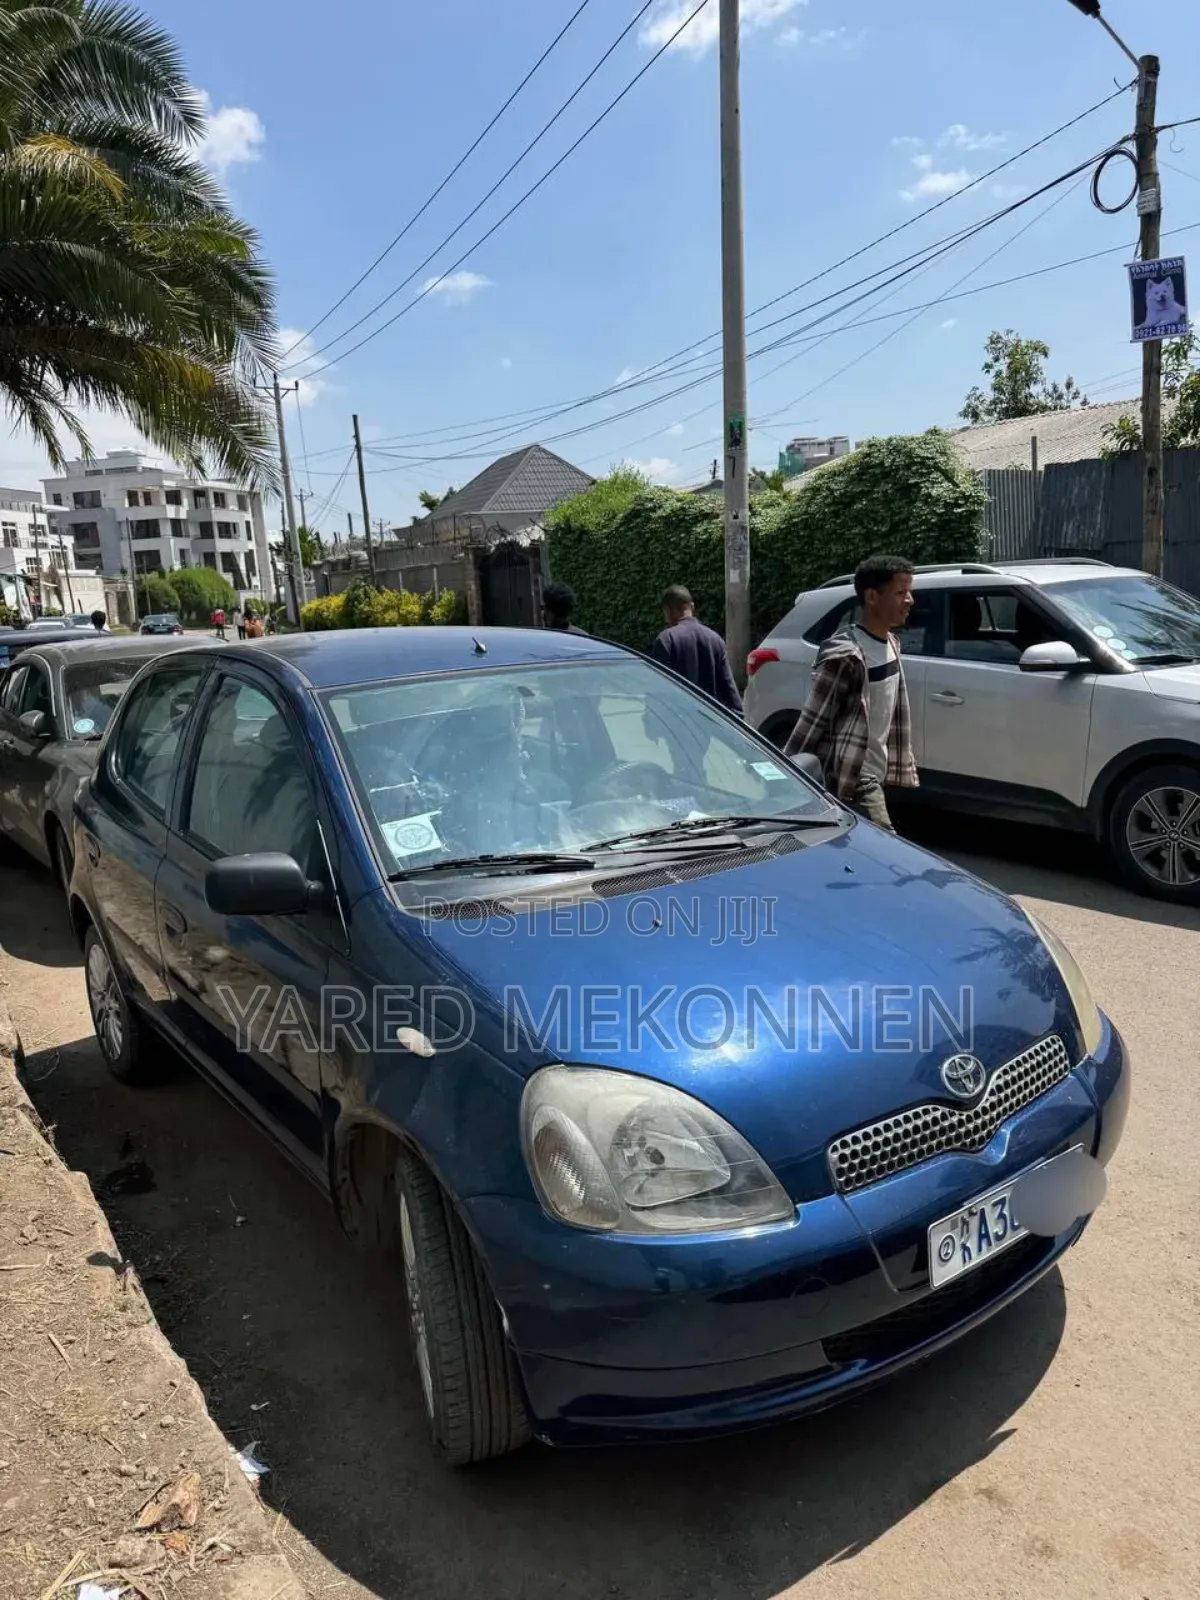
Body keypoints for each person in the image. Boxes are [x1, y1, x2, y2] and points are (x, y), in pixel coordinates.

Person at [784, 554, 919, 832]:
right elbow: (812, 722)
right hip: (854, 777)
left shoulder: (892, 643)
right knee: (885, 847)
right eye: (900, 593)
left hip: (877, 772)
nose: (909, 600)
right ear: (872, 597)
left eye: (909, 592)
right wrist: (786, 778)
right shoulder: (846, 656)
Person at [650, 585, 742, 715]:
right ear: (692, 606)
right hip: (708, 721)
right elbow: (731, 694)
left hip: (678, 721)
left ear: (668, 611)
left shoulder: (667, 639)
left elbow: (656, 691)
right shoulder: (715, 639)